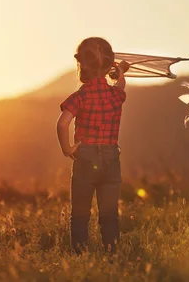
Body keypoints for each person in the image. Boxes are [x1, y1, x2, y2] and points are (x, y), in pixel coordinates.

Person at [56, 37, 129, 255]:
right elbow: (120, 84)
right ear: (108, 67)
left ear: (82, 65)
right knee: (109, 213)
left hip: (85, 156)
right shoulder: (116, 95)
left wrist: (67, 148)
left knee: (79, 213)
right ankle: (112, 252)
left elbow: (62, 124)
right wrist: (119, 72)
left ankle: (79, 253)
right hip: (111, 158)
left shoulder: (79, 96)